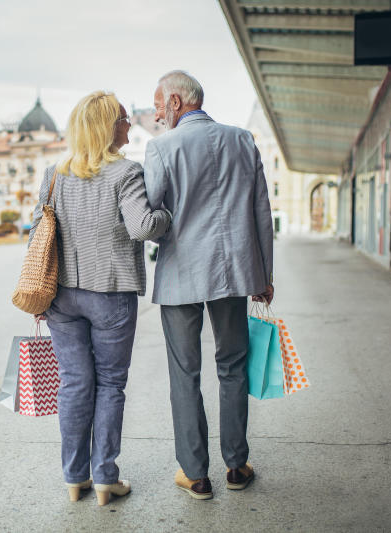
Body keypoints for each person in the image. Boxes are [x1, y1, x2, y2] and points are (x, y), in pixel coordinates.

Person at [28, 91, 171, 506]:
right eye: (124, 118)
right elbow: (144, 227)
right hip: (110, 293)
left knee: (74, 383)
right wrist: (168, 213)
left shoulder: (54, 174)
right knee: (110, 385)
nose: (129, 124)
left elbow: (39, 231)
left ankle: (75, 478)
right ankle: (106, 478)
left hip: (61, 297)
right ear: (109, 127)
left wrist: (41, 295)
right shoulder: (126, 172)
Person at [143, 70, 274, 500]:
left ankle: (195, 474)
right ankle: (237, 465)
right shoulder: (242, 139)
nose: (157, 113)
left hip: (181, 273)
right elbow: (261, 211)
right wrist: (264, 275)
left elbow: (154, 216)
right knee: (233, 366)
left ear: (178, 101)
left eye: (160, 104)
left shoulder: (161, 148)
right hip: (234, 273)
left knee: (185, 372)